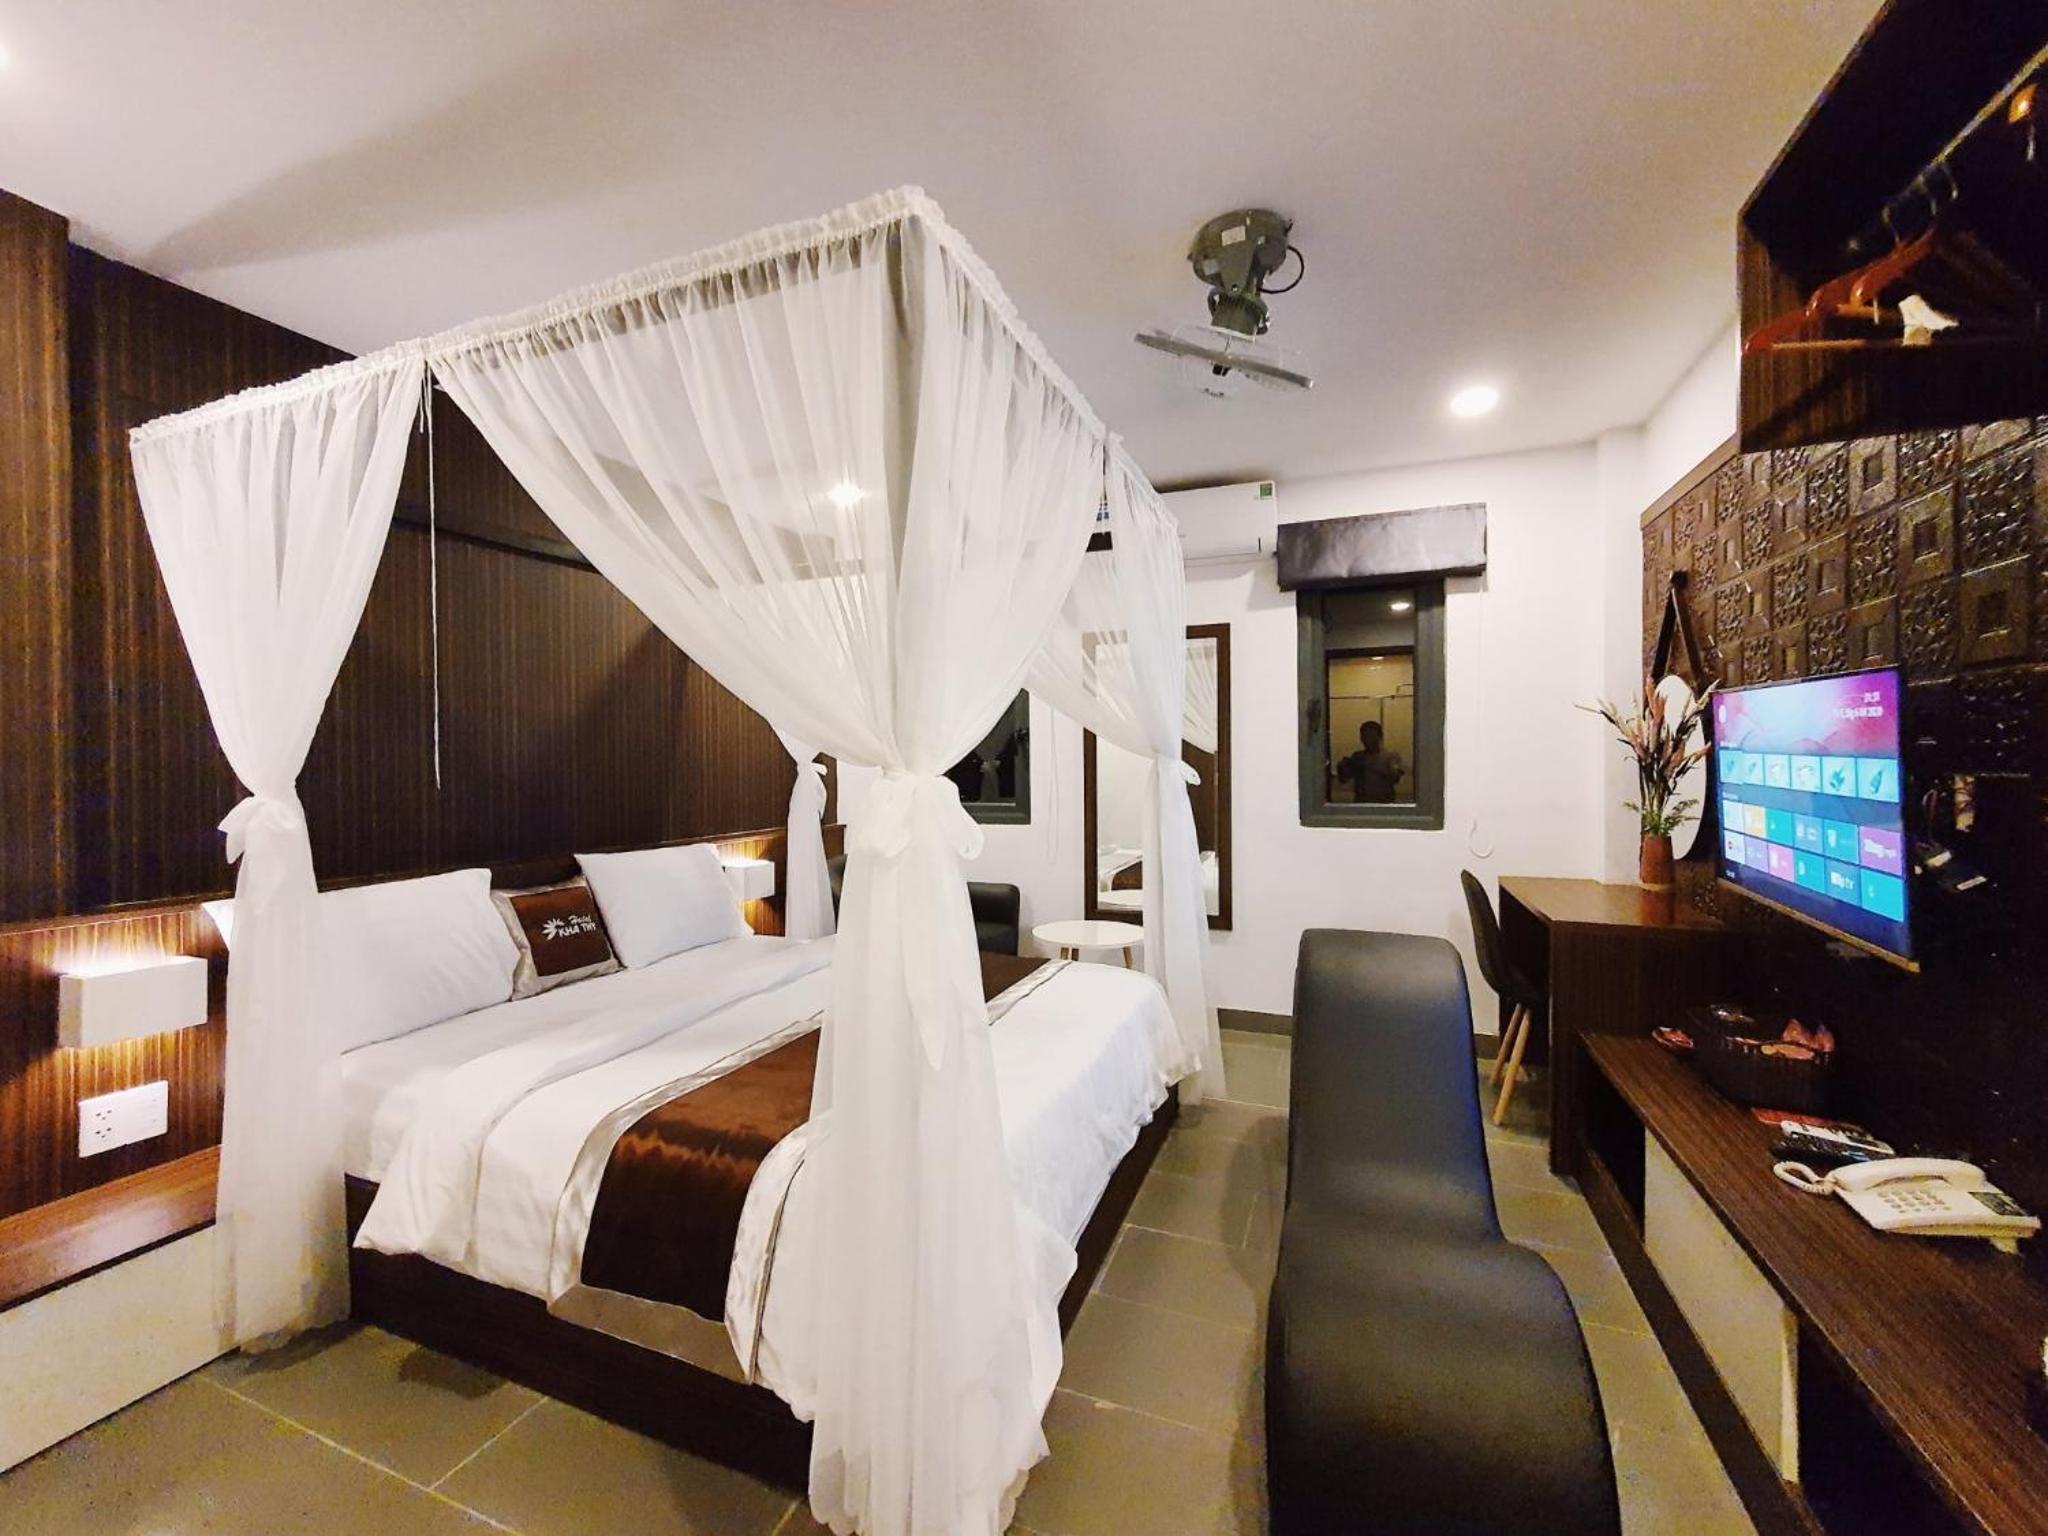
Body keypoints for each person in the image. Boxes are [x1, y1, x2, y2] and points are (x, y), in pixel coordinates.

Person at [1337, 720, 1406, 803]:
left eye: (1371, 736)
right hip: (1362, 804)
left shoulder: (1391, 757)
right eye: (1364, 736)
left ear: (1379, 737)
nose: (1367, 740)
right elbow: (1343, 779)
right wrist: (1342, 767)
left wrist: (1372, 766)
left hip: (1384, 803)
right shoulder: (1358, 756)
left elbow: (1396, 778)